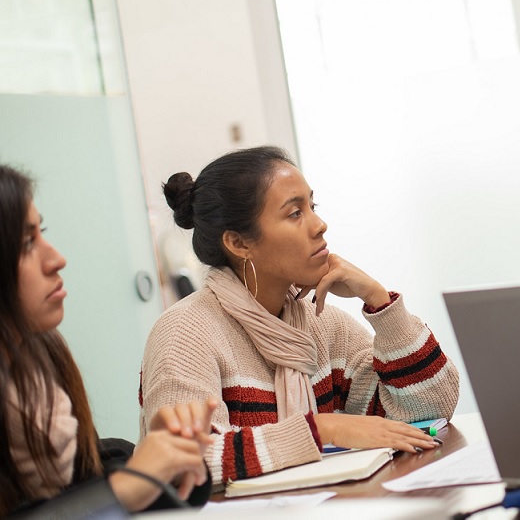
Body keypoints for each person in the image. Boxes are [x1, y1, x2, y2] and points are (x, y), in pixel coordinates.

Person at [140, 146, 460, 485]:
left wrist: (379, 301)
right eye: (295, 213)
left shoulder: (323, 324)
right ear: (238, 242)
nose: (320, 225)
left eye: (313, 206)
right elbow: (180, 464)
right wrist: (323, 429)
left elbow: (429, 411)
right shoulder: (184, 333)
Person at [0, 164, 216, 515]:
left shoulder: (41, 358)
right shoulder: (185, 326)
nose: (56, 259)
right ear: (238, 243)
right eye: (26, 243)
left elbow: (79, 480)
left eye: (42, 233)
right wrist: (129, 483)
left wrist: (167, 458)